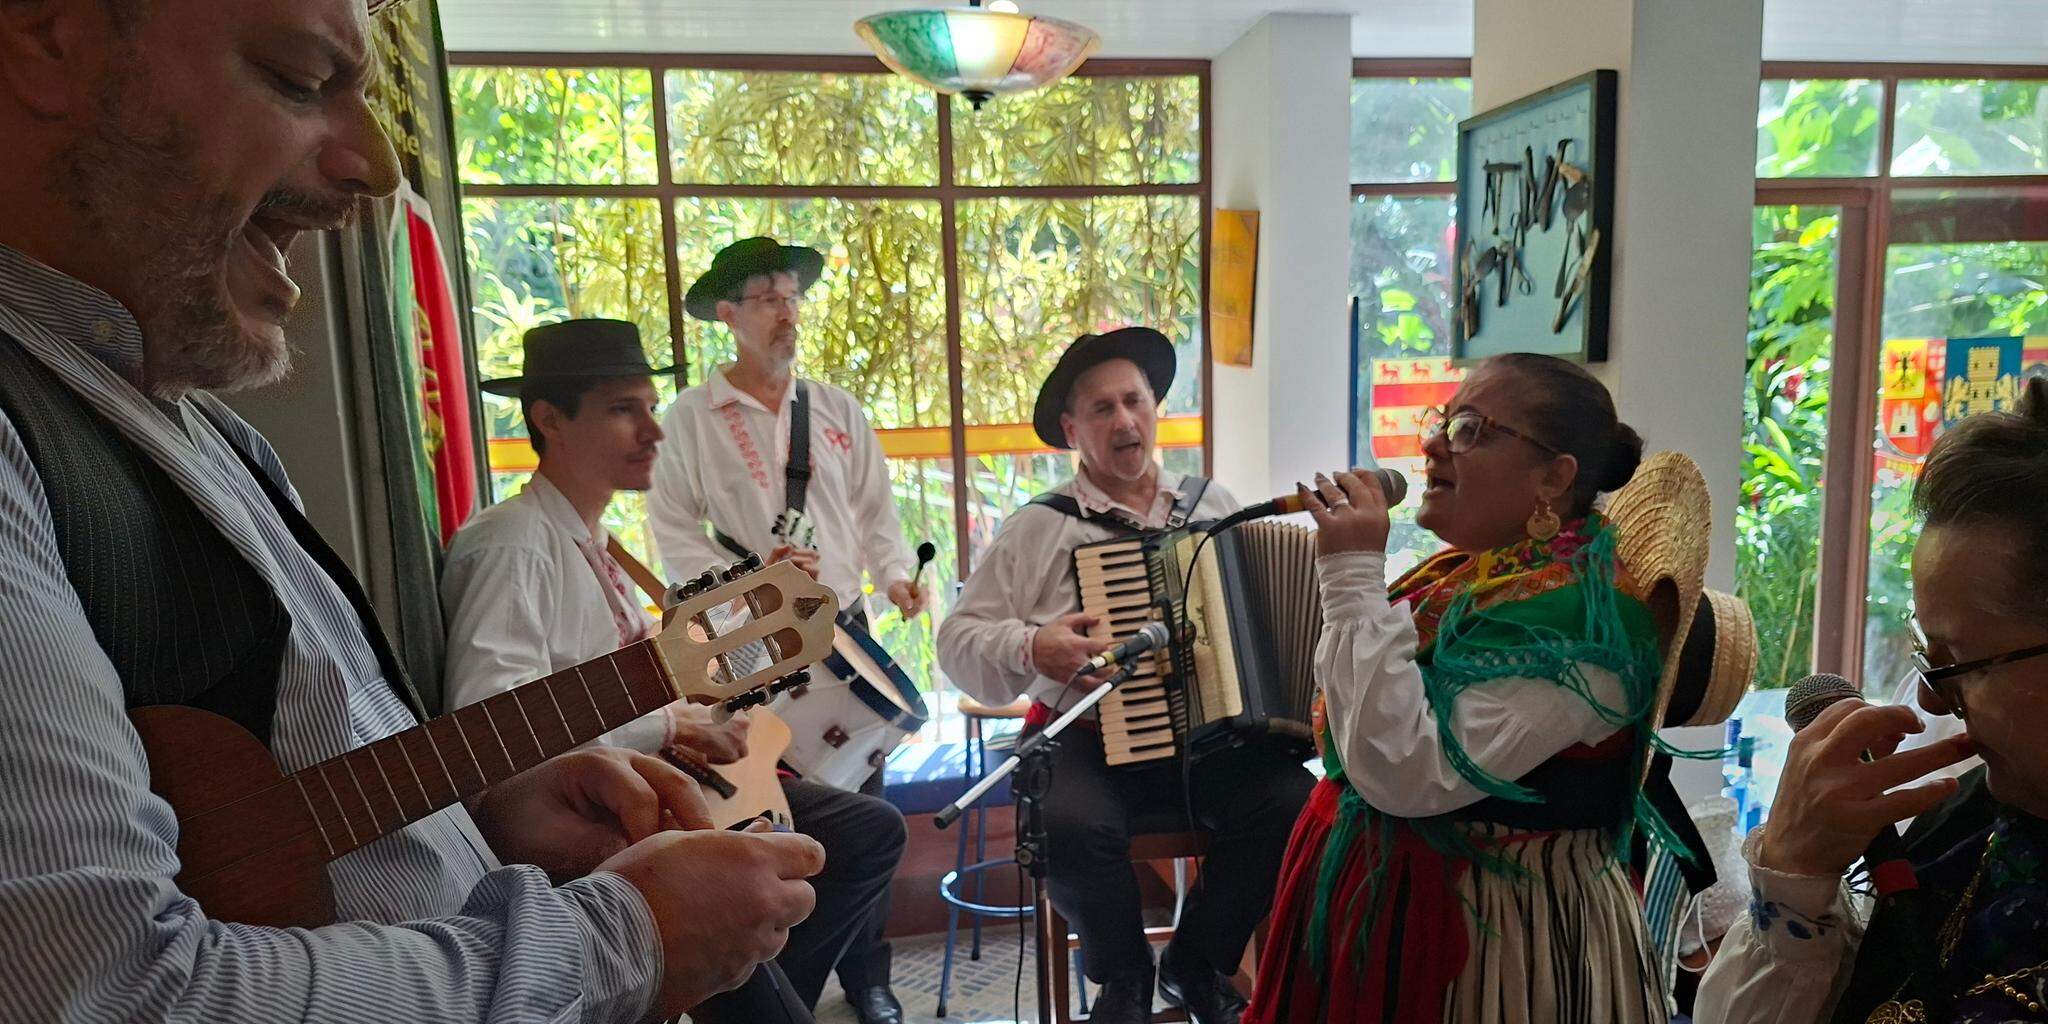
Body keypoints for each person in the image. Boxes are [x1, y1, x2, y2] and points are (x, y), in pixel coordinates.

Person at [0, 1, 822, 1021]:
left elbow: (266, 824)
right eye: (300, 80)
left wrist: (475, 811)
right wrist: (626, 939)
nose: (375, 167)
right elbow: (108, 993)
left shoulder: (199, 431)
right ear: (50, 40)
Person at [441, 317, 908, 1020]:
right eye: (624, 410)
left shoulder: (597, 543)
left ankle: (752, 989)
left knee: (870, 833)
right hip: (596, 826)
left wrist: (747, 623)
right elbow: (492, 720)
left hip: (660, 795)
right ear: (549, 420)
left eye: (650, 408)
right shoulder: (515, 544)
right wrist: (661, 727)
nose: (654, 432)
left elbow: (657, 676)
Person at [1243, 353, 1672, 1024]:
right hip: (1397, 911)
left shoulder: (1589, 630)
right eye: (1443, 420)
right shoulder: (1471, 576)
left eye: (1471, 428)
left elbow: (1408, 775)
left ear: (1553, 478)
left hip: (1497, 947)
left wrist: (1354, 577)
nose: (1434, 443)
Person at [936, 327, 1316, 1024]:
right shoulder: (1039, 528)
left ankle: (1197, 962)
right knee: (1066, 821)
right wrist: (1031, 645)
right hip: (1088, 734)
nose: (1124, 421)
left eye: (1134, 401)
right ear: (1071, 430)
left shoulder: (1210, 504)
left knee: (1293, 801)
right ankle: (1123, 981)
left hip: (1212, 734)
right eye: (1102, 409)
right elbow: (954, 640)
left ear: (1155, 409)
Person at [1696, 379, 2046, 1023]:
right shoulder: (1967, 830)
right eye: (1926, 657)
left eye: (1958, 664)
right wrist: (1795, 879)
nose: (1935, 705)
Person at [648, 235, 925, 1024]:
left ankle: (870, 977)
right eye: (767, 299)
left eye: (791, 297)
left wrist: (899, 573)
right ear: (728, 316)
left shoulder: (836, 411)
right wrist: (745, 586)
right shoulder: (689, 421)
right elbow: (672, 528)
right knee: (767, 798)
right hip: (747, 637)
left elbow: (877, 514)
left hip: (843, 627)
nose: (785, 313)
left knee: (870, 796)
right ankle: (769, 975)